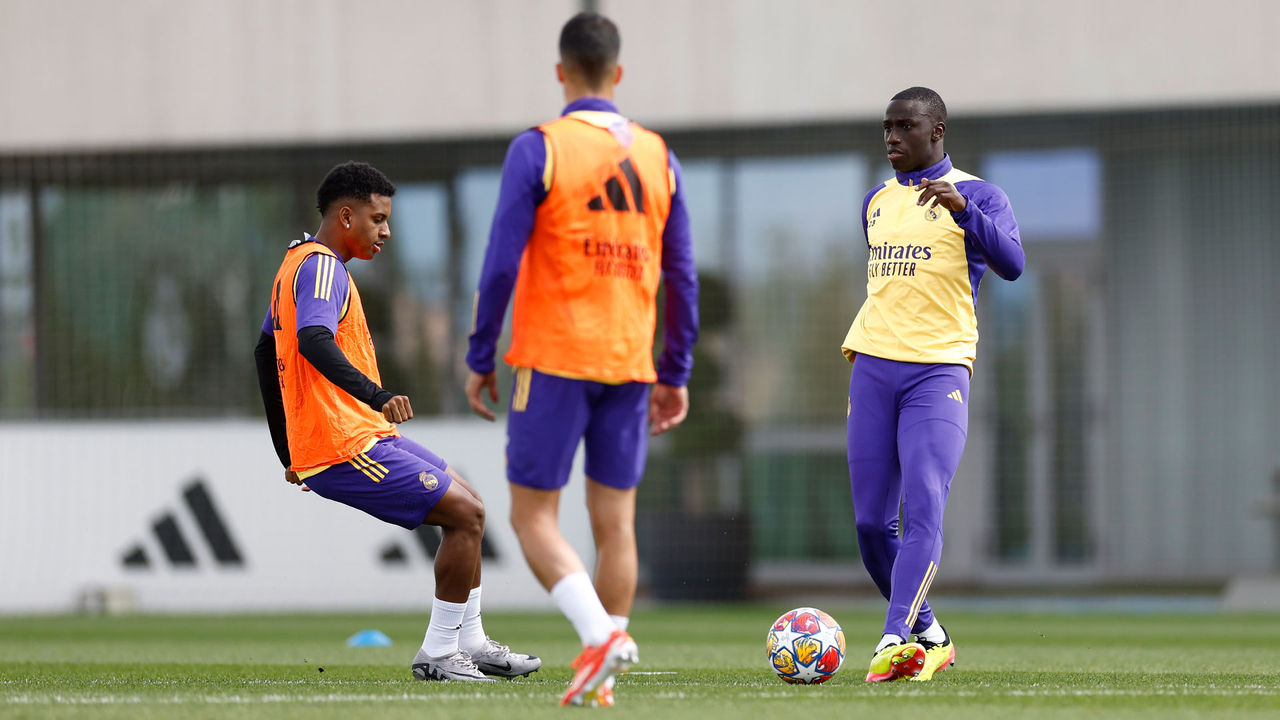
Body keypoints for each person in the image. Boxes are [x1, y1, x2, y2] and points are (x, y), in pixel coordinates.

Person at [463, 12, 699, 708]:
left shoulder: (540, 147)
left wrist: (481, 354)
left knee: (532, 518)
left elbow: (501, 261)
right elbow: (681, 275)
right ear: (617, 74)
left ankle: (599, 638)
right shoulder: (661, 157)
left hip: (557, 356)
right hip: (630, 363)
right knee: (615, 524)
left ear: (562, 72)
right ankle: (605, 678)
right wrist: (674, 371)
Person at [254, 161, 540, 683]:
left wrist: (287, 451)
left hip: (354, 436)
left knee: (470, 506)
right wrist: (375, 394)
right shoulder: (321, 267)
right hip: (344, 442)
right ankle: (436, 653)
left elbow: (262, 352)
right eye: (377, 218)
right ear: (346, 216)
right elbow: (313, 341)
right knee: (465, 517)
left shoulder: (295, 264)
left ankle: (470, 644)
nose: (386, 230)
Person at [841, 87, 1024, 682]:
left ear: (937, 130)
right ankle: (930, 633)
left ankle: (894, 638)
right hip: (872, 367)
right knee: (871, 525)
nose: (892, 137)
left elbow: (1014, 264)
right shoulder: (875, 201)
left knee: (923, 502)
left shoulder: (979, 194)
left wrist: (965, 214)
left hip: (938, 372)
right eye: (886, 127)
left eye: (905, 126)